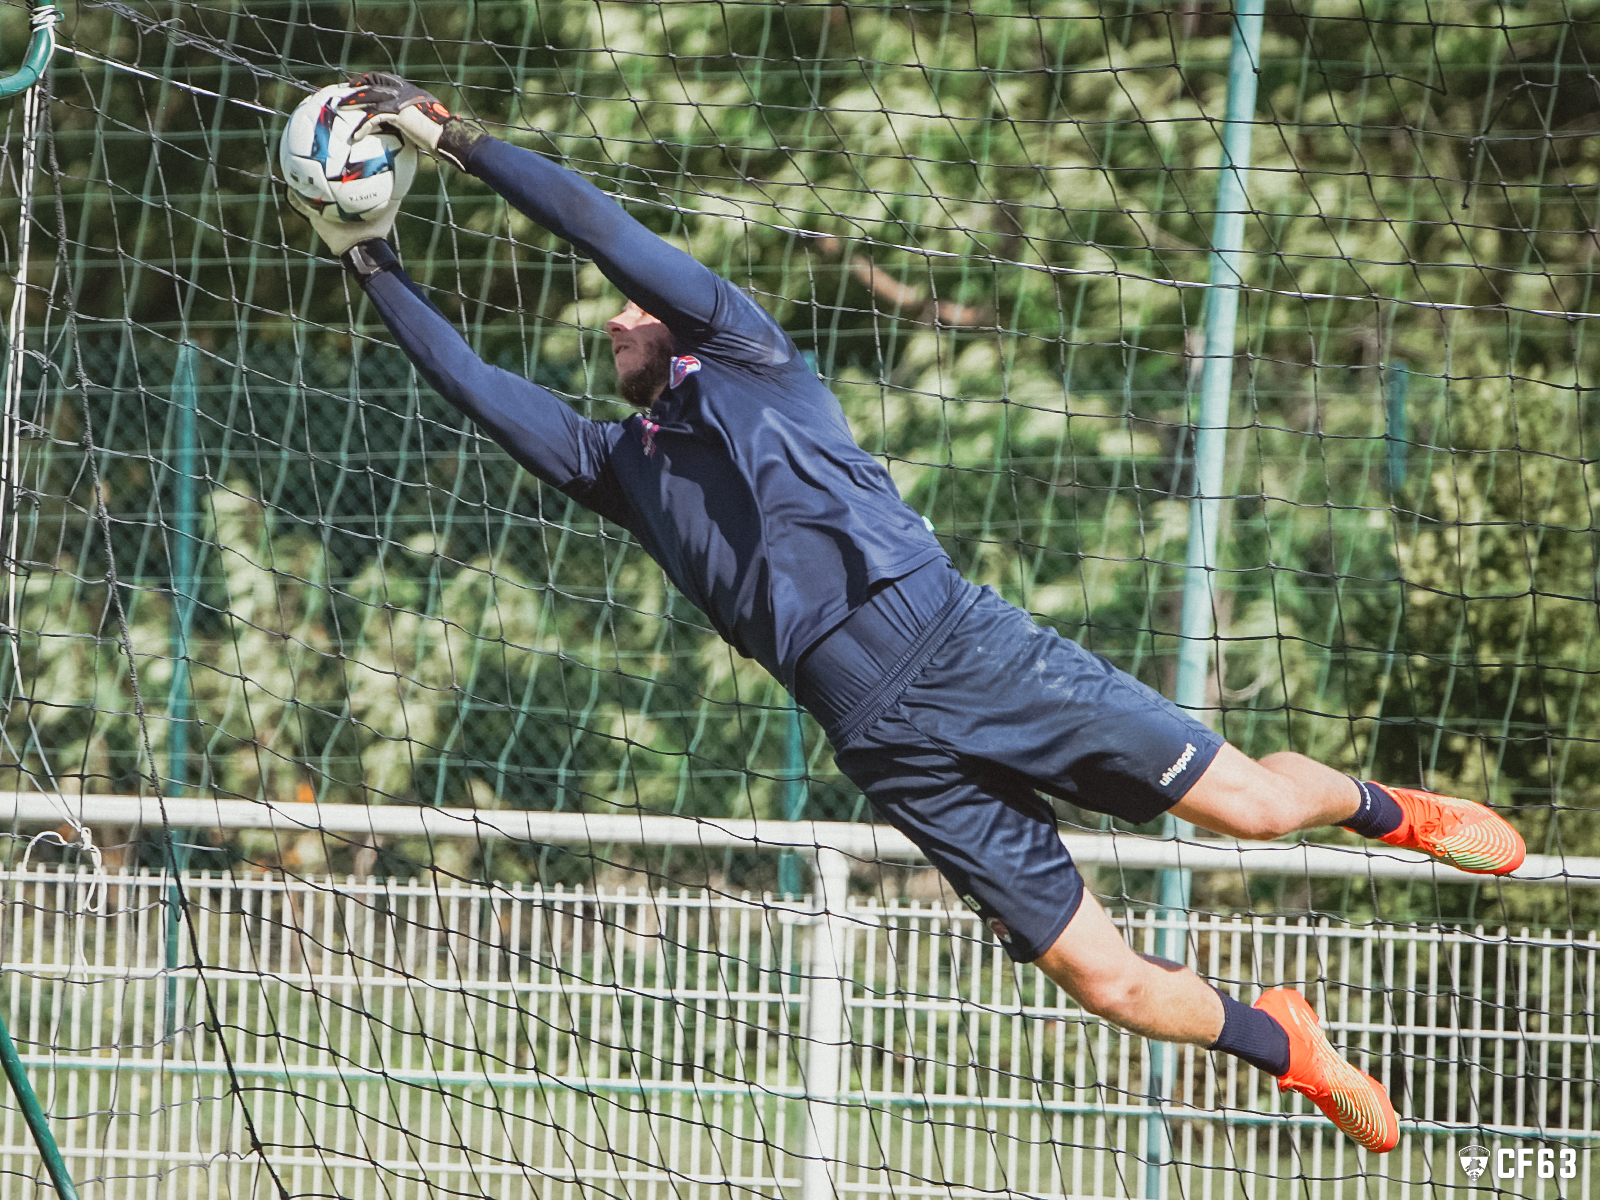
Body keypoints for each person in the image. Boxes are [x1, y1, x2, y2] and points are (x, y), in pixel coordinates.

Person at [287, 73, 1529, 1155]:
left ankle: (1392, 814)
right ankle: (1289, 1047)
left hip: (966, 646)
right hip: (879, 739)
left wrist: (459, 144)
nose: (612, 313)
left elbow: (603, 229)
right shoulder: (624, 470)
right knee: (1104, 982)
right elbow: (473, 385)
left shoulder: (748, 351)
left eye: (626, 306)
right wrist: (370, 259)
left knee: (1253, 809)